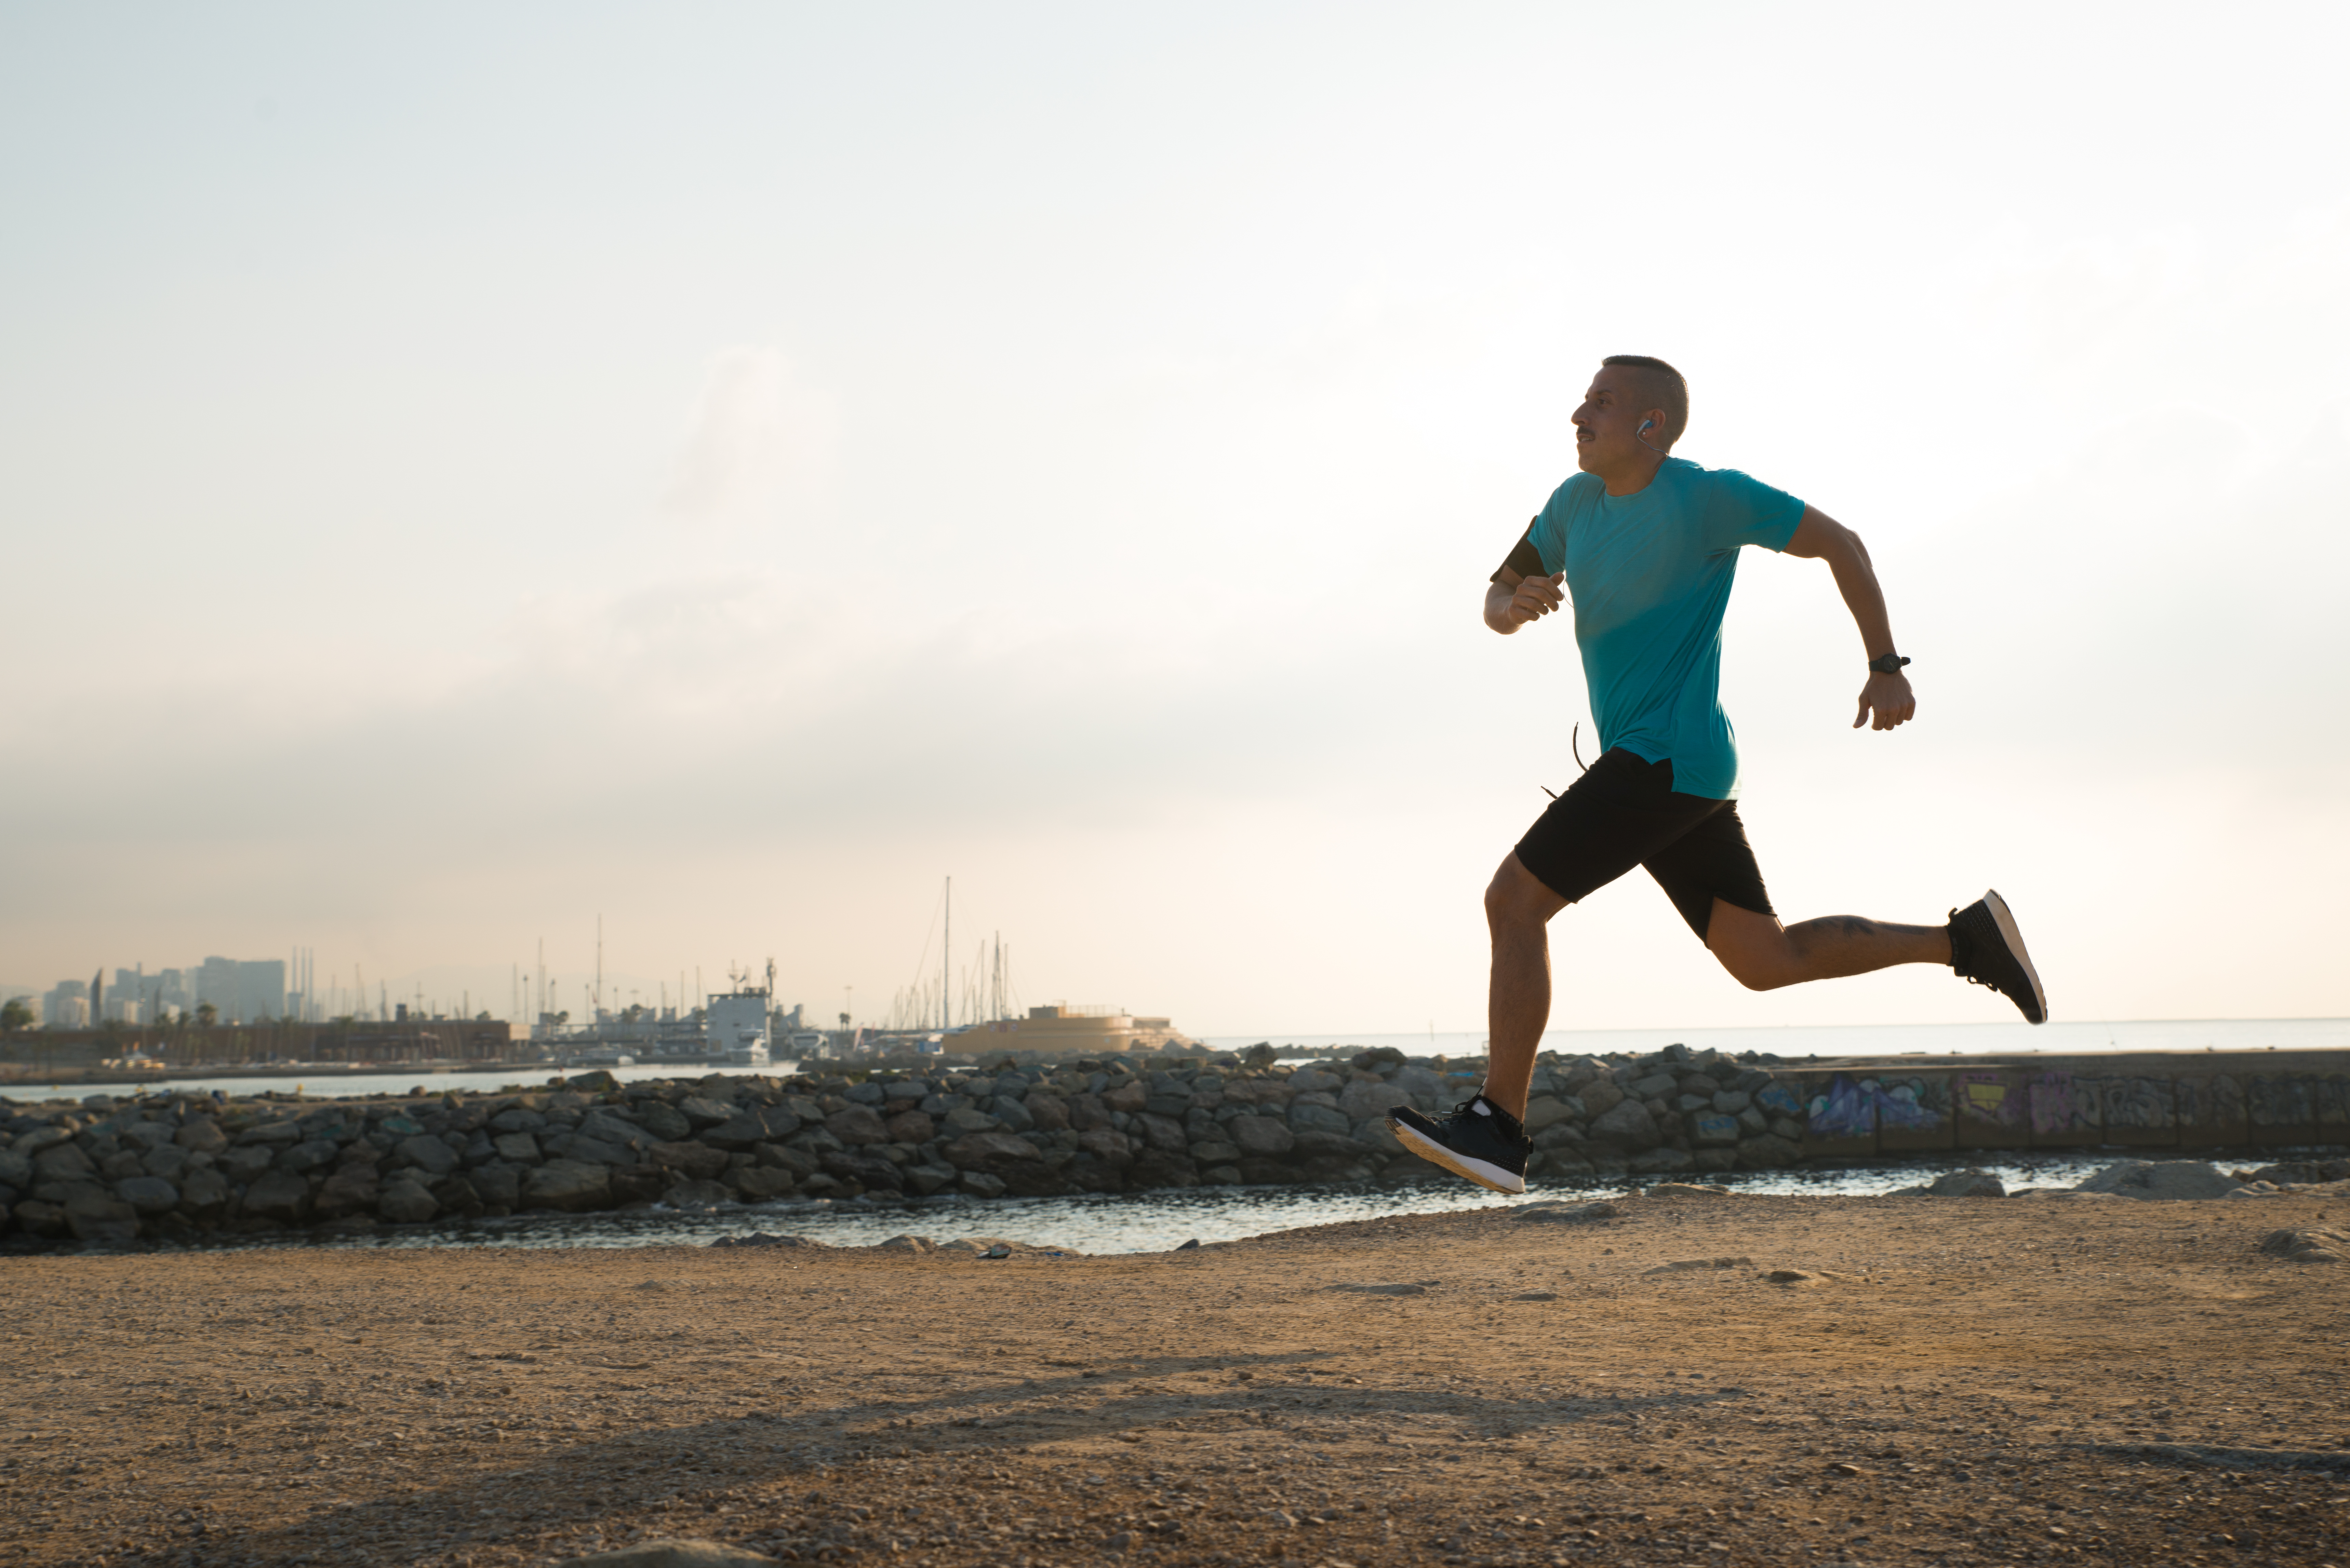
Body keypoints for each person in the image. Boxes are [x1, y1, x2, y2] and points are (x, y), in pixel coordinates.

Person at [1389, 355, 2046, 1195]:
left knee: (1513, 902)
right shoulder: (1570, 504)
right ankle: (1965, 940)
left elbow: (1839, 543)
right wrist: (1508, 609)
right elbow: (1497, 590)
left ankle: (1497, 1128)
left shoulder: (1708, 498)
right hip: (1681, 768)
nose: (1577, 413)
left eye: (1600, 401)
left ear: (1650, 425)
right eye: (1583, 398)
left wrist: (1884, 663)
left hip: (1663, 758)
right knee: (1763, 958)